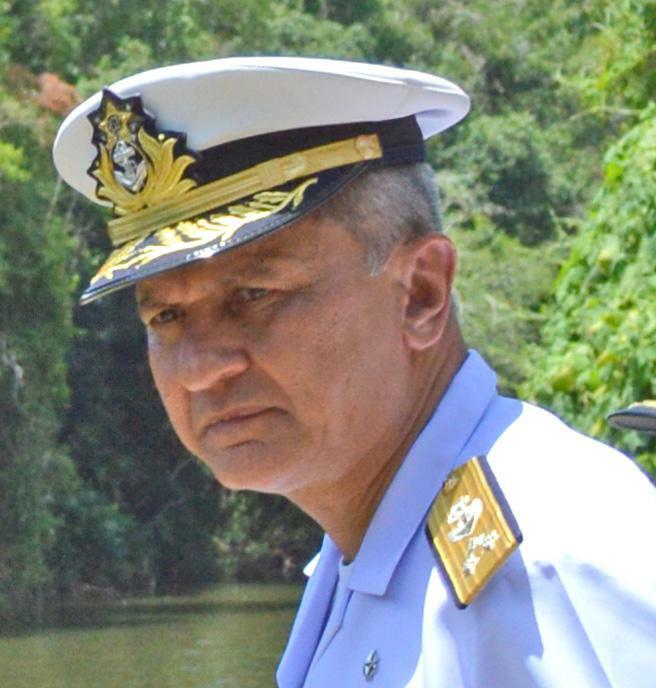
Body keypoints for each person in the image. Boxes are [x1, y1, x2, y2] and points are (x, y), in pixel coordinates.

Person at [53, 57, 656, 687]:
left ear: (421, 293)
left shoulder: (549, 567)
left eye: (256, 295)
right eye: (167, 316)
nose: (201, 368)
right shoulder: (368, 552)